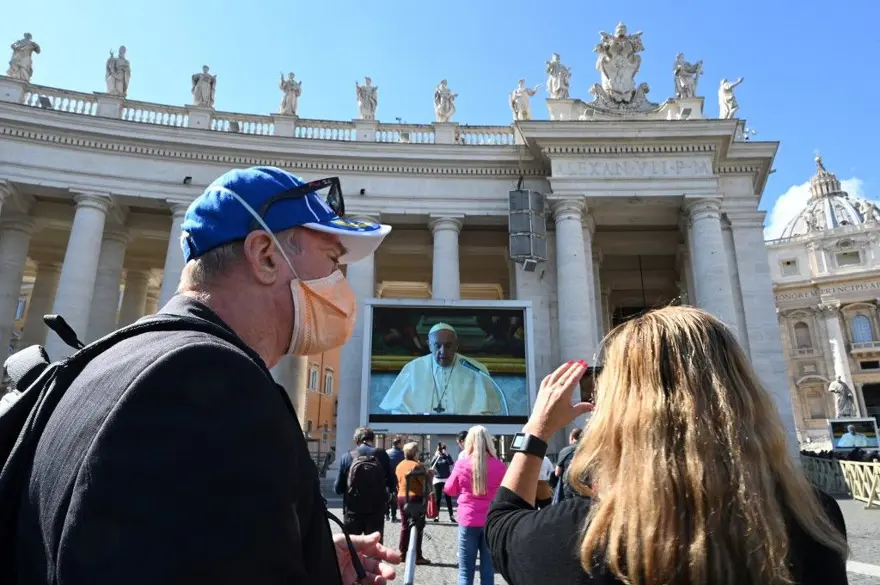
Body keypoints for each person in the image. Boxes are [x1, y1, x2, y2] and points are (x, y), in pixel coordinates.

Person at [15, 166, 399, 585]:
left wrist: (312, 557)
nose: (339, 282)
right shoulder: (217, 390)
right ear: (266, 256)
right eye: (332, 260)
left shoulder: (104, 361)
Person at [486, 306, 849, 585]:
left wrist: (537, 430)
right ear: (741, 395)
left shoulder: (581, 537)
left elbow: (502, 524)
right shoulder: (815, 517)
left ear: (617, 410)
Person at [379, 323, 503, 415]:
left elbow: (487, 413)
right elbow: (399, 410)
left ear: (456, 345)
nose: (443, 351)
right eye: (437, 346)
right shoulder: (413, 368)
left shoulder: (475, 369)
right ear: (429, 345)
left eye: (448, 346)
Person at [444, 425, 506, 585]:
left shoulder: (462, 464)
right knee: (488, 573)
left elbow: (449, 489)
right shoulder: (500, 466)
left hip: (468, 519)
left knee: (465, 573)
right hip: (491, 521)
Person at [334, 427, 396, 543]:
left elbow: (338, 488)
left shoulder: (347, 457)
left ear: (356, 441)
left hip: (352, 510)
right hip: (376, 510)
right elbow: (392, 482)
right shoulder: (382, 455)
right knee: (374, 547)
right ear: (372, 439)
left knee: (350, 547)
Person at [395, 442, 432, 565]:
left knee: (405, 526)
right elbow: (424, 484)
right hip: (415, 498)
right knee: (418, 526)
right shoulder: (417, 466)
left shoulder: (399, 465)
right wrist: (430, 475)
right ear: (415, 453)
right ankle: (417, 556)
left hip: (401, 497)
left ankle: (402, 554)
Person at [553, 427, 583, 503]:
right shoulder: (589, 450)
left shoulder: (565, 451)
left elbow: (557, 473)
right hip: (586, 486)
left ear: (572, 438)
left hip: (570, 487)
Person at [429, 443, 456, 523]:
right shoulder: (436, 456)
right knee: (438, 498)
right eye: (441, 448)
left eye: (443, 448)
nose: (442, 450)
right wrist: (436, 456)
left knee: (448, 498)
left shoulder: (446, 456)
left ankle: (451, 516)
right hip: (437, 479)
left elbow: (451, 463)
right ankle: (436, 516)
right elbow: (432, 464)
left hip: (446, 479)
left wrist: (447, 455)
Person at [386, 436, 406, 522]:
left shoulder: (387, 452)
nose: (403, 444)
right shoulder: (402, 454)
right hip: (397, 478)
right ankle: (393, 516)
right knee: (394, 496)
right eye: (402, 442)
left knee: (387, 495)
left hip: (387, 477)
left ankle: (386, 514)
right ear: (399, 443)